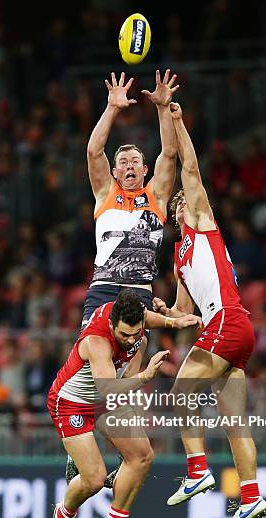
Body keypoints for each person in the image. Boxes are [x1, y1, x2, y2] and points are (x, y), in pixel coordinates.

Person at [153, 103, 266, 518]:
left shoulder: (203, 223)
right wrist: (164, 313)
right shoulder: (181, 261)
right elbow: (185, 312)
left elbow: (191, 170)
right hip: (234, 330)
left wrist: (177, 121)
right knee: (234, 422)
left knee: (182, 392)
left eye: (184, 200)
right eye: (178, 203)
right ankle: (252, 496)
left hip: (229, 321)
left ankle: (198, 470)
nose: (181, 203)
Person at [66, 68, 179, 484]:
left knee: (128, 384)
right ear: (115, 173)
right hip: (104, 293)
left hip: (141, 295)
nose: (129, 166)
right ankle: (83, 448)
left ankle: (115, 458)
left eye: (135, 161)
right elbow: (93, 151)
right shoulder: (105, 194)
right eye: (123, 163)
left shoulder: (158, 197)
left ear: (145, 170)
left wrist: (164, 108)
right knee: (98, 375)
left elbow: (171, 155)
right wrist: (112, 109)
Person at [49, 288, 200, 518]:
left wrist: (174, 322)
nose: (131, 340)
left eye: (135, 334)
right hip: (73, 403)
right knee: (94, 479)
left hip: (107, 397)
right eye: (124, 335)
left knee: (142, 456)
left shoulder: (132, 320)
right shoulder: (97, 340)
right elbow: (109, 390)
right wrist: (145, 376)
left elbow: (148, 320)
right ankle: (64, 516)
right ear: (111, 325)